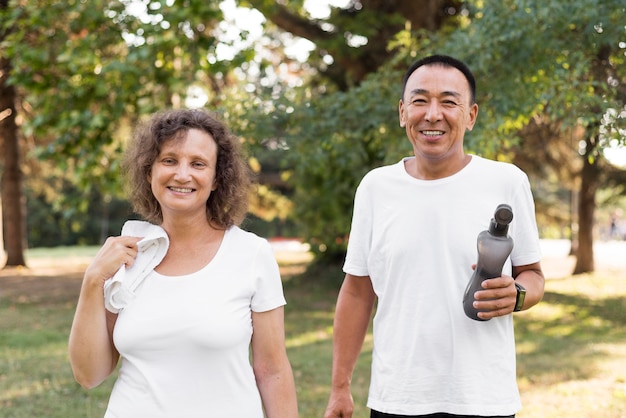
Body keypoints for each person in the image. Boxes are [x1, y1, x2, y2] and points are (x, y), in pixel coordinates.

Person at [324, 55, 545, 418]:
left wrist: (517, 296)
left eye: (448, 101)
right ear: (402, 112)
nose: (432, 114)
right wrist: (338, 388)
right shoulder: (376, 188)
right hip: (398, 398)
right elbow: (357, 291)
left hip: (483, 399)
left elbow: (533, 275)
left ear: (471, 115)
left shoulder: (506, 182)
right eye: (420, 100)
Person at [69, 109, 298, 418]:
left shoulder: (251, 254)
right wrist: (93, 279)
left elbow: (272, 371)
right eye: (169, 160)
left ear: (217, 179)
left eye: (198, 164)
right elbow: (89, 375)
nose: (182, 174)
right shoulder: (127, 254)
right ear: (149, 171)